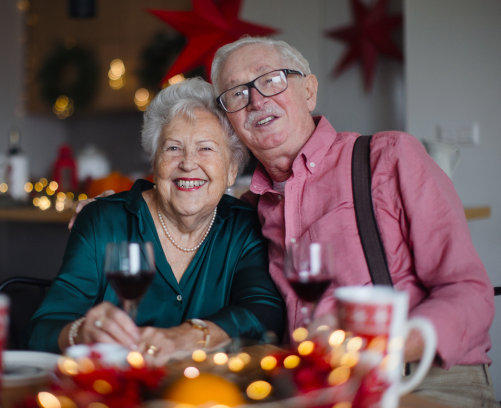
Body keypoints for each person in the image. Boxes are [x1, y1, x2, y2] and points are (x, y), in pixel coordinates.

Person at [209, 36, 497, 407]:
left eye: (271, 79)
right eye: (236, 93)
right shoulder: (246, 211)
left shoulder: (389, 158)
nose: (256, 99)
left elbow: (469, 292)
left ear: (309, 91)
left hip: (422, 382)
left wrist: (385, 347)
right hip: (311, 392)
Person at [24, 77, 285, 364]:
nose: (187, 163)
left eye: (206, 148)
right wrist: (79, 332)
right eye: (173, 148)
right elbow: (41, 330)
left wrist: (192, 335)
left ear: (232, 170)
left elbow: (263, 310)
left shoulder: (245, 226)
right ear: (154, 162)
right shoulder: (103, 221)